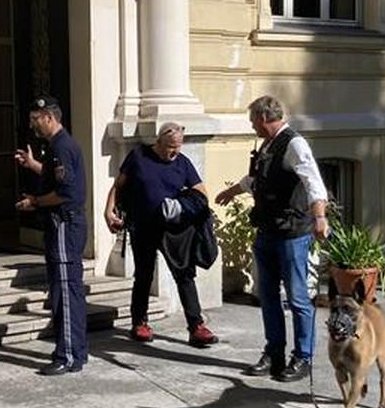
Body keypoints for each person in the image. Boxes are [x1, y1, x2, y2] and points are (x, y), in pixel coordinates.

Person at [215, 95, 329, 382]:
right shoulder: (267, 144)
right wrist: (234, 191)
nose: (252, 125)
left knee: (298, 298)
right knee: (267, 297)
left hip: (291, 234)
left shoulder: (294, 143)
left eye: (253, 120)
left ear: (264, 118)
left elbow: (313, 182)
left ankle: (303, 358)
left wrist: (319, 217)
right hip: (267, 231)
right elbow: (259, 178)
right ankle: (274, 353)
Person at [104, 123, 219, 347]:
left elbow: (201, 193)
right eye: (170, 148)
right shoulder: (138, 157)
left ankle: (196, 327)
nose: (174, 152)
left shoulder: (182, 163)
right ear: (158, 142)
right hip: (143, 227)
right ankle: (139, 323)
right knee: (144, 275)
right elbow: (118, 186)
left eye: (178, 147)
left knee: (184, 275)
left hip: (174, 230)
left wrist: (180, 205)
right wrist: (108, 211)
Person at [14, 96, 88, 376]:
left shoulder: (62, 147)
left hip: (64, 226)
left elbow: (66, 193)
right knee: (66, 291)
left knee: (65, 292)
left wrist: (34, 202)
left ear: (48, 117)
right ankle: (75, 351)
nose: (33, 126)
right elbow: (56, 177)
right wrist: (33, 165)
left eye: (36, 119)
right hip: (62, 226)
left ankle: (68, 355)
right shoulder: (57, 147)